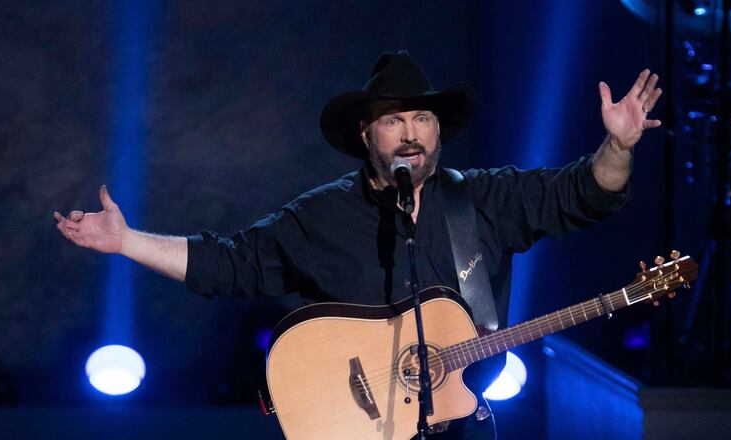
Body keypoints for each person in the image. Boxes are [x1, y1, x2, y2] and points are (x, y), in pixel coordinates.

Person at [54, 51, 662, 439]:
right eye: (394, 121)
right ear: (366, 135)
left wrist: (618, 147)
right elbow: (231, 264)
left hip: (460, 423)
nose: (410, 134)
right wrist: (128, 242)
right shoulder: (322, 215)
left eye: (422, 119)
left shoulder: (481, 201)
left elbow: (582, 194)